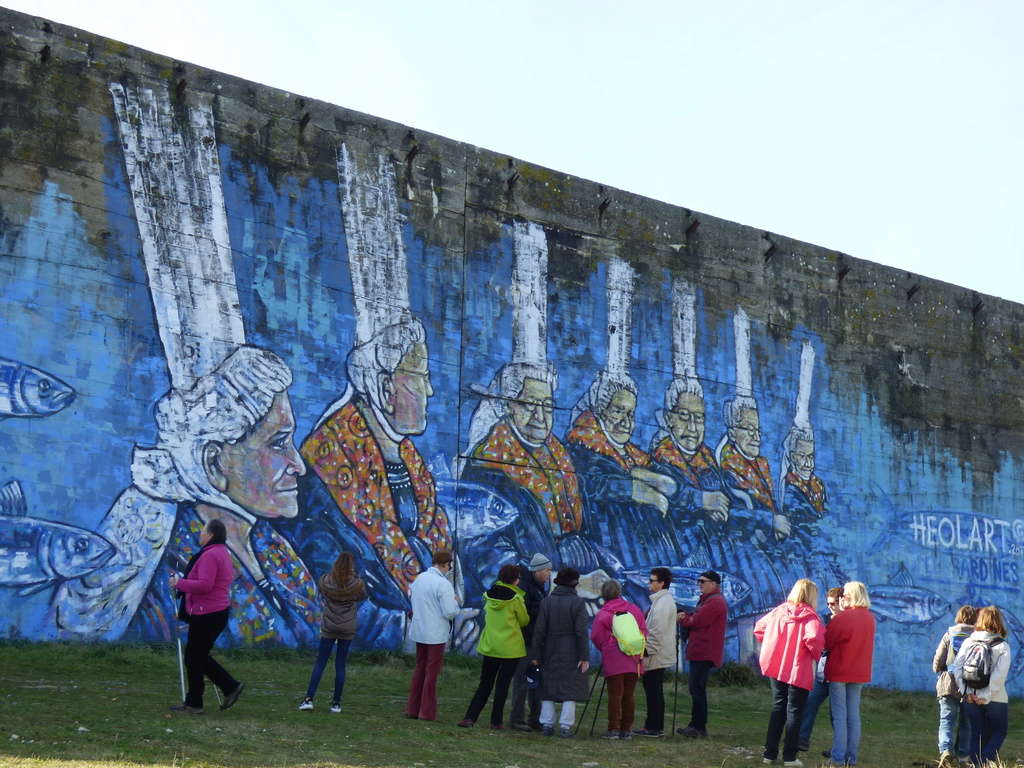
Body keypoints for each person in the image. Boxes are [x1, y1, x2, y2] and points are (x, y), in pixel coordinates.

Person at [57, 346, 320, 646]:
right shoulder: (178, 565)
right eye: (279, 443)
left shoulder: (271, 546)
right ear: (214, 463)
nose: (298, 465)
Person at [168, 518, 244, 713]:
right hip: (212, 612)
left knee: (194, 657)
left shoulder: (210, 555)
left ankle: (226, 688)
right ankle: (199, 700)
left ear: (211, 534)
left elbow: (205, 585)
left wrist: (179, 583)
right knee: (196, 657)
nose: (200, 534)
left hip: (208, 614)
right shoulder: (220, 552)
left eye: (203, 531)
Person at [754, 578, 825, 766]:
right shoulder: (811, 617)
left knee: (778, 707)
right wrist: (815, 654)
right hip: (797, 669)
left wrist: (772, 644)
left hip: (776, 667)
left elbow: (760, 627)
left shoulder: (779, 611)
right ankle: (790, 757)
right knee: (794, 711)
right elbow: (815, 639)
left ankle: (769, 754)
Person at [458, 564, 530, 728]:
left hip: (490, 646)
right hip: (510, 648)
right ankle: (495, 721)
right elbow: (524, 620)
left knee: (485, 683)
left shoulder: (488, 596)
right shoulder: (516, 598)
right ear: (515, 580)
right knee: (502, 686)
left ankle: (470, 717)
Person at [299, 552, 367, 713]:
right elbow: (362, 596)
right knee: (340, 665)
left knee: (320, 663)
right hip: (347, 626)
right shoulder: (357, 584)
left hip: (329, 625)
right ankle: (336, 703)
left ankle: (308, 699)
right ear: (351, 566)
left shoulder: (326, 581)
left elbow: (321, 592)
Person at [529, 567, 591, 737]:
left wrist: (535, 654)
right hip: (571, 650)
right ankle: (565, 726)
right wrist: (584, 656)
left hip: (549, 649)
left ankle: (547, 725)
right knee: (570, 688)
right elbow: (581, 632)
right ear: (575, 584)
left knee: (547, 686)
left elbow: (539, 631)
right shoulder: (578, 603)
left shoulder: (547, 602)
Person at [951, 605, 1011, 767]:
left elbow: (957, 667)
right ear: (999, 621)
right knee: (999, 731)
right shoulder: (1002, 646)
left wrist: (966, 691)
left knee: (976, 732)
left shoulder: (969, 642)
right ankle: (983, 763)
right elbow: (999, 675)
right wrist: (985, 696)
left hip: (970, 696)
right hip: (996, 698)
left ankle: (975, 763)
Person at [823, 581, 876, 767]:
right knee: (853, 716)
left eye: (844, 595)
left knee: (840, 717)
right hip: (859, 671)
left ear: (850, 596)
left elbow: (826, 642)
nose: (842, 598)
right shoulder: (870, 618)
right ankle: (851, 758)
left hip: (839, 671)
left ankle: (837, 758)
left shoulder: (843, 618)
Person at [405, 550, 460, 721]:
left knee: (419, 669)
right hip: (436, 633)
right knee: (431, 673)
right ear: (445, 564)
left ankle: (412, 708)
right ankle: (426, 711)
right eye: (449, 565)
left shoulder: (419, 579)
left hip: (419, 630)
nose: (449, 568)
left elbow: (411, 596)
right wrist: (457, 603)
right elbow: (450, 612)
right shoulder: (443, 584)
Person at [591, 579, 648, 740]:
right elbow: (643, 630)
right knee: (629, 695)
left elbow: (595, 636)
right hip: (634, 658)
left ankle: (613, 729)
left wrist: (607, 646)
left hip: (614, 659)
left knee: (615, 695)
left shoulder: (603, 613)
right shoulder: (634, 609)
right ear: (619, 592)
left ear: (603, 594)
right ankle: (626, 729)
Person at [676, 569, 728, 738]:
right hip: (700, 650)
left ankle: (699, 727)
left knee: (697, 689)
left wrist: (683, 618)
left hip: (704, 651)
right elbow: (697, 617)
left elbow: (697, 621)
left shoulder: (716, 602)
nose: (699, 584)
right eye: (699, 581)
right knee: (696, 688)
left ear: (714, 584)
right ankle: (695, 725)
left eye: (703, 581)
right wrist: (687, 616)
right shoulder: (707, 601)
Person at [510, 553, 553, 731]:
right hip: (526, 642)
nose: (549, 574)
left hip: (535, 642)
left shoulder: (537, 587)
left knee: (535, 681)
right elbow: (525, 616)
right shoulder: (527, 588)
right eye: (547, 571)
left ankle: (535, 718)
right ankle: (517, 719)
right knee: (522, 681)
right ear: (537, 570)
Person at [798, 586, 844, 751]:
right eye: (828, 603)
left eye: (834, 603)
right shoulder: (825, 619)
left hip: (838, 673)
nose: (830, 606)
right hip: (822, 671)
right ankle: (802, 739)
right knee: (810, 703)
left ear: (843, 602)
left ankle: (839, 748)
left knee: (836, 713)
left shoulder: (847, 621)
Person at [932, 605, 977, 766]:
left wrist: (937, 669)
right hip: (971, 684)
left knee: (947, 720)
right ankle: (964, 756)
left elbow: (939, 658)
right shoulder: (978, 636)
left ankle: (946, 750)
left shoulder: (950, 634)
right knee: (967, 722)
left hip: (949, 682)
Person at [635, 567, 676, 737]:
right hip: (657, 654)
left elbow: (656, 633)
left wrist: (645, 652)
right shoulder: (660, 601)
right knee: (653, 690)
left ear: (662, 583)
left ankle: (654, 727)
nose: (649, 583)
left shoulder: (663, 604)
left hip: (656, 655)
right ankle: (653, 725)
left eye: (652, 580)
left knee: (653, 691)